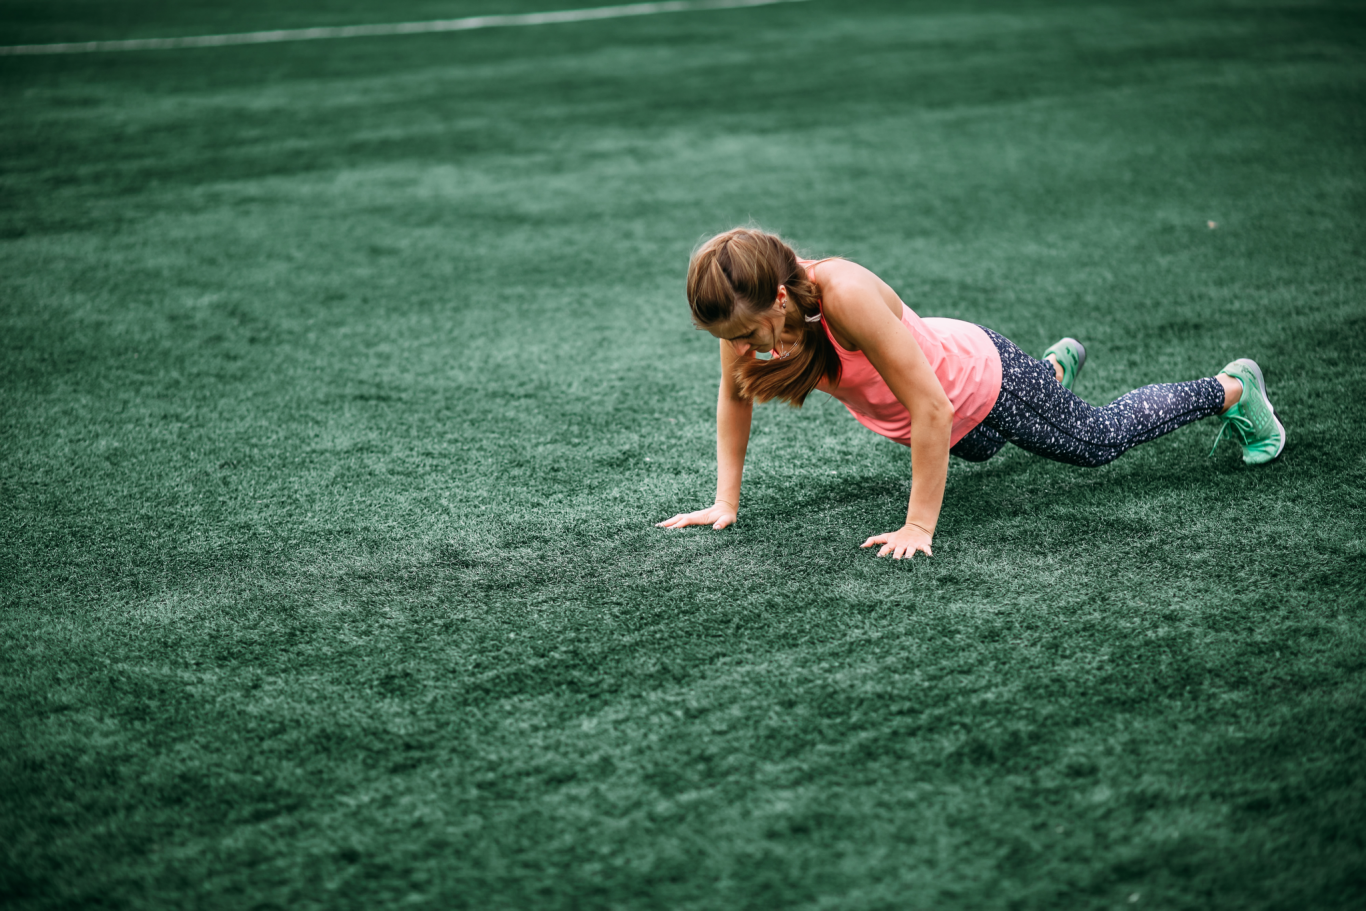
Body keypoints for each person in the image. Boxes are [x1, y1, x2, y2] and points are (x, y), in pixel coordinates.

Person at [656, 227, 1285, 559]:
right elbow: (734, 396)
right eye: (733, 339)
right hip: (945, 412)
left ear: (779, 297)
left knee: (1094, 442)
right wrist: (724, 502)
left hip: (978, 380)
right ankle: (1050, 376)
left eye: (748, 335)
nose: (745, 348)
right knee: (982, 449)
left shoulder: (843, 295)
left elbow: (932, 405)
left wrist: (918, 526)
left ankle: (1232, 389)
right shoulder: (743, 316)